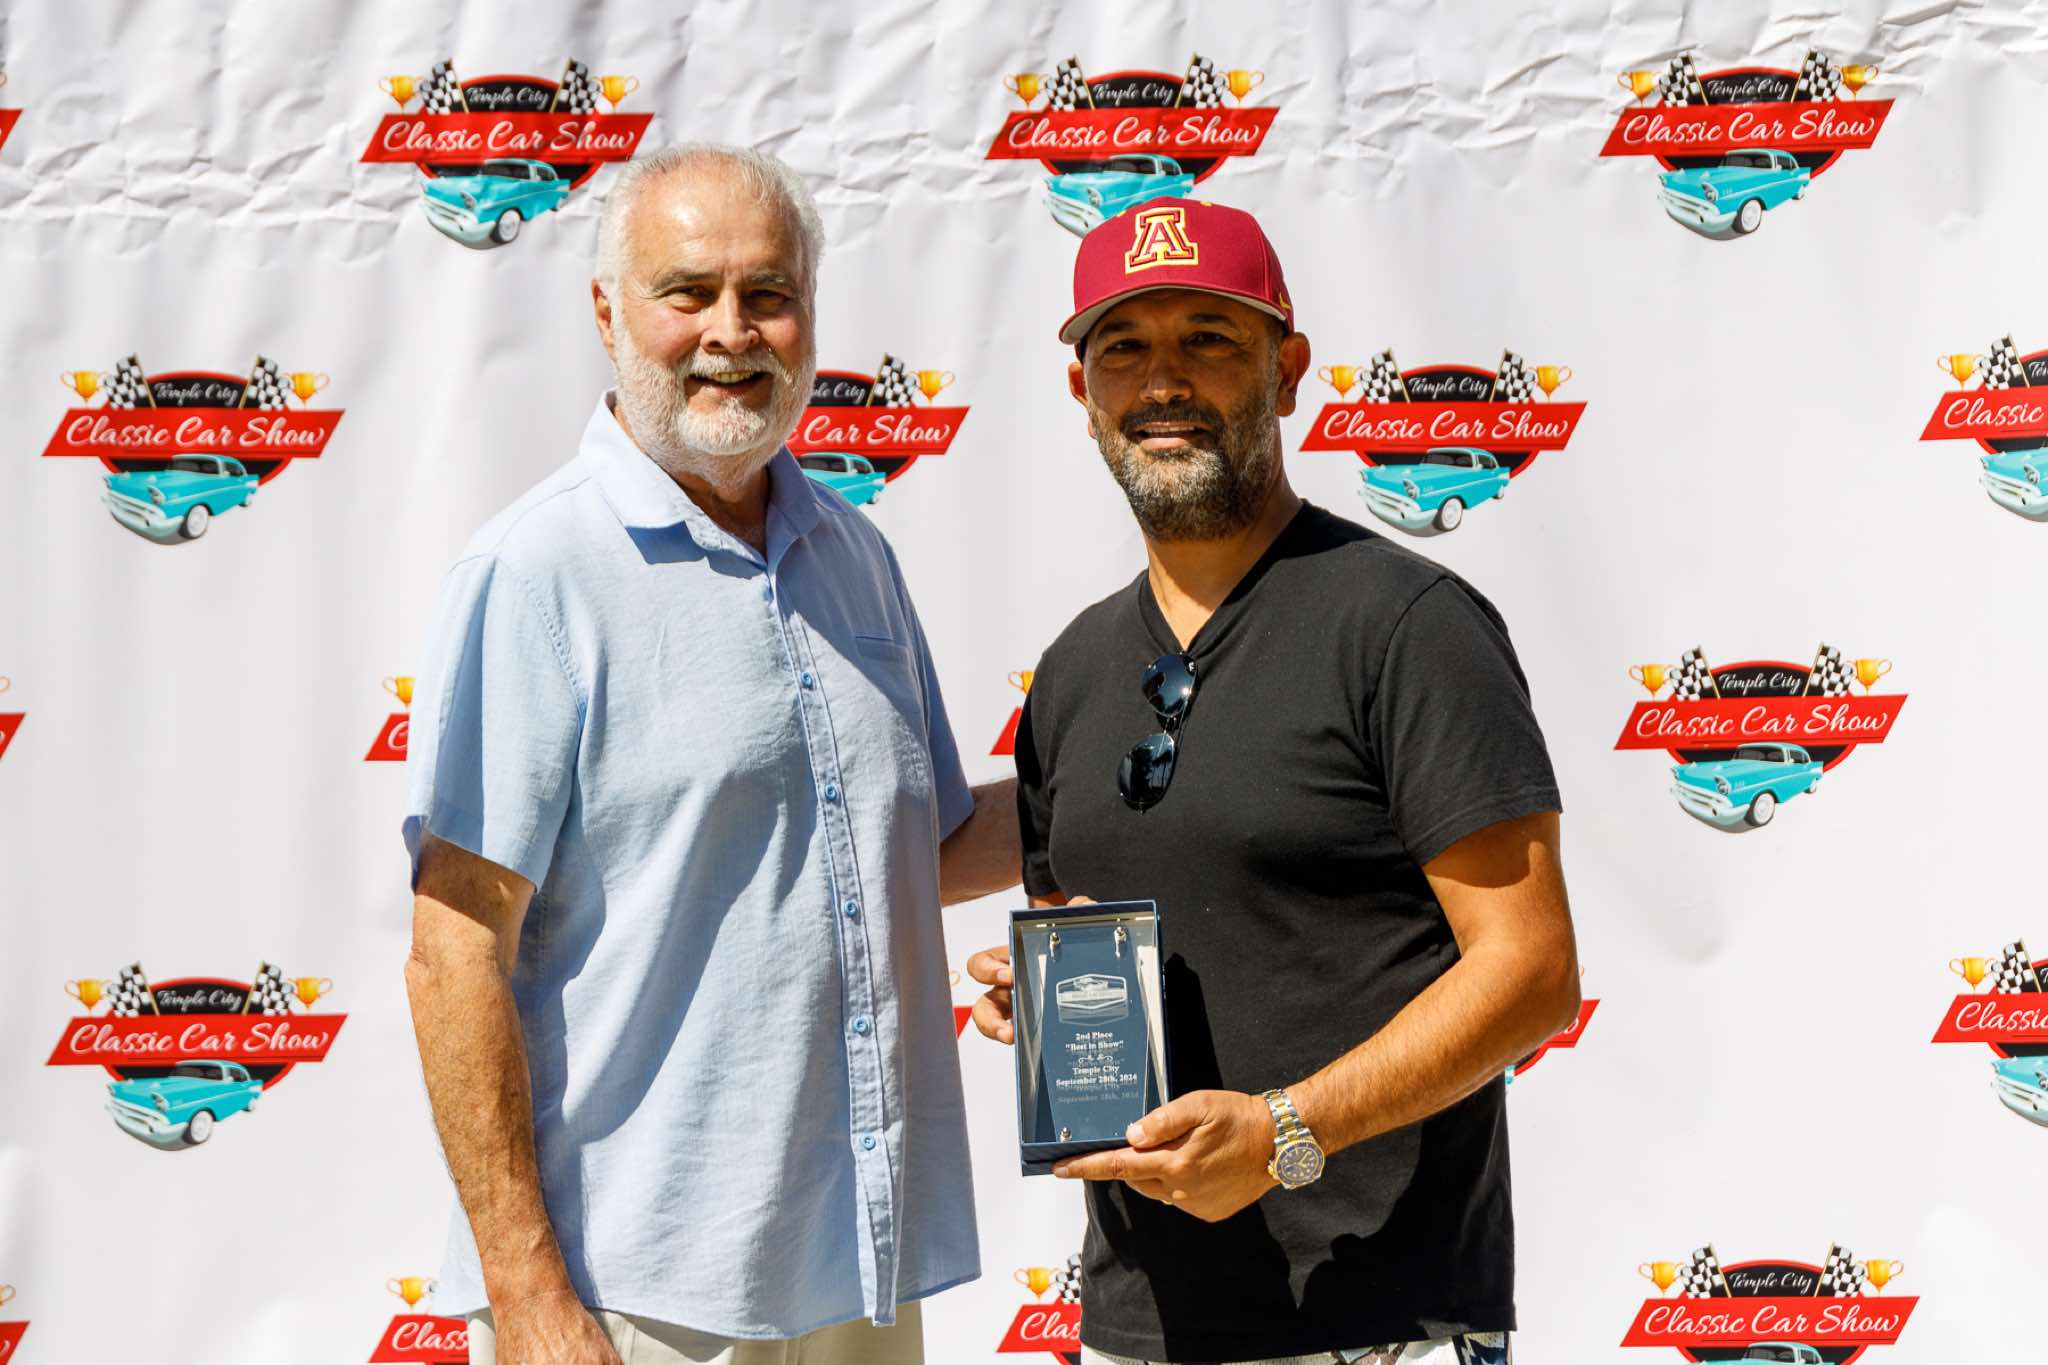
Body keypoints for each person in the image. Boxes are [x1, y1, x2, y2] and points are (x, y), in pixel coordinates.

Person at [402, 143, 1017, 1365]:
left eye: (768, 293)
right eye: (687, 292)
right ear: (606, 312)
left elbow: (919, 846)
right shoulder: (535, 573)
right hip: (634, 1295)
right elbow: (453, 948)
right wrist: (526, 1292)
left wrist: (1162, 776)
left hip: (855, 1269)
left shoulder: (854, 556)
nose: (730, 332)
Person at [966, 199, 1580, 1365]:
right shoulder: (1073, 670)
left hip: (1377, 1324)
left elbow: (1530, 972)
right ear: (1082, 393)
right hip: (1143, 1323)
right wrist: (1040, 996)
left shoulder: (1405, 623)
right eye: (1122, 348)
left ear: (1287, 372)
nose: (1163, 381)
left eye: (1207, 338)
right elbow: (1096, 921)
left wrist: (1283, 1133)